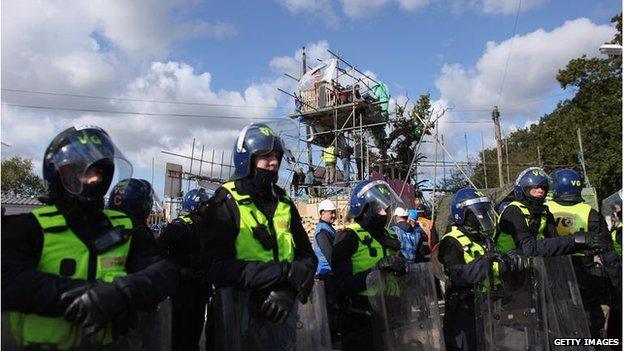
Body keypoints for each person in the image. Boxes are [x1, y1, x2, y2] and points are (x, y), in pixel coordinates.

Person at [2, 126, 178, 350]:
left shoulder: (125, 226)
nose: (94, 179)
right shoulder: (29, 226)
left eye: (100, 172)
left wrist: (122, 292)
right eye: (81, 171)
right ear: (59, 174)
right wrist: (85, 298)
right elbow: (8, 280)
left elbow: (164, 272)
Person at [202, 123, 317, 349]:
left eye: (276, 155)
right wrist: (283, 272)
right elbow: (216, 267)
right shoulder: (225, 202)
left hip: (282, 317)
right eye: (265, 156)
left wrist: (288, 289)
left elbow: (307, 256)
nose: (273, 162)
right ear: (247, 159)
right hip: (239, 316)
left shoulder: (284, 202)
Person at [438, 187, 528, 351]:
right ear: (463, 215)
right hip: (465, 307)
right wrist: (484, 262)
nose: (483, 217)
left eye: (485, 212)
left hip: (493, 304)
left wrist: (512, 260)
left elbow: (500, 263)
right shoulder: (450, 242)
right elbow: (457, 275)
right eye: (478, 214)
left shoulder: (486, 238)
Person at [330, 179, 406, 351]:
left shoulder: (389, 235)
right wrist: (375, 271)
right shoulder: (348, 237)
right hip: (361, 317)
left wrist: (402, 266)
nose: (385, 213)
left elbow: (401, 270)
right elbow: (340, 286)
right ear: (364, 210)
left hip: (392, 312)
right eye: (380, 209)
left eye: (386, 209)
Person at [545, 169, 617, 339]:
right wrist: (616, 284)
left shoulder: (546, 210)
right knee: (591, 319)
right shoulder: (589, 211)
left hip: (553, 271)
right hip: (586, 271)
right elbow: (607, 249)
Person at [496, 167, 610, 256]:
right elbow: (528, 249)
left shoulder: (544, 212)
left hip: (536, 272)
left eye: (543, 187)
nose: (540, 190)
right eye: (534, 187)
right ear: (523, 189)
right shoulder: (514, 211)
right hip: (508, 271)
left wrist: (585, 246)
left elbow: (554, 243)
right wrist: (575, 239)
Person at [159, 188, 211, 351]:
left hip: (199, 288)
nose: (206, 212)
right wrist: (180, 271)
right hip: (182, 290)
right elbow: (159, 255)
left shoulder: (200, 228)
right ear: (195, 209)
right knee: (181, 330)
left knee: (195, 327)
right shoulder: (178, 228)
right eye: (203, 208)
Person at [314, 199, 338, 279]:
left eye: (334, 212)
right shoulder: (322, 231)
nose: (334, 215)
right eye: (331, 212)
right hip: (327, 274)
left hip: (330, 272)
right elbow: (330, 255)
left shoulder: (327, 227)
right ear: (323, 213)